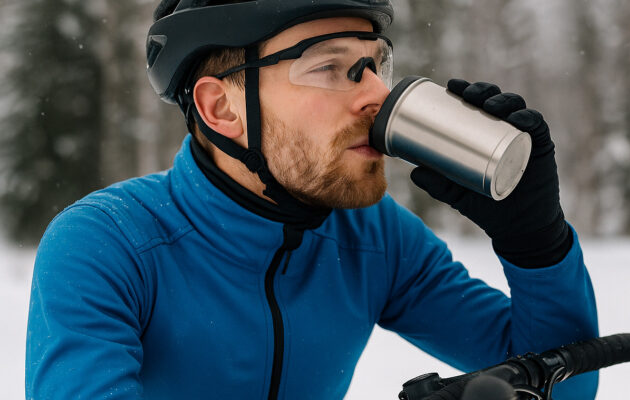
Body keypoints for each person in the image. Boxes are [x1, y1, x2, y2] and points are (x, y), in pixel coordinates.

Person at [25, 1, 599, 399]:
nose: (378, 94)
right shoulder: (108, 244)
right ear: (222, 109)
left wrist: (537, 244)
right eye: (330, 67)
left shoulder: (374, 236)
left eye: (375, 64)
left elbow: (560, 388)